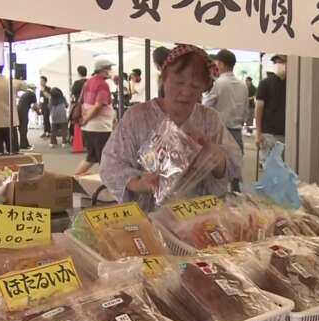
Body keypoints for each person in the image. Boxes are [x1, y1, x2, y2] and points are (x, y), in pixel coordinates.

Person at [100, 44, 242, 212]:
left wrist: (216, 158)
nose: (186, 92)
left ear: (203, 88)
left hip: (196, 217)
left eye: (195, 86)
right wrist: (140, 182)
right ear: (164, 79)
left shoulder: (209, 119)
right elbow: (112, 165)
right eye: (179, 82)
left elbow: (232, 166)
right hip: (147, 216)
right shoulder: (138, 117)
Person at [203, 49, 249, 191]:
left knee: (217, 174)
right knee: (235, 173)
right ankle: (236, 205)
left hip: (220, 134)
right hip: (237, 133)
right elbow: (246, 110)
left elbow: (205, 106)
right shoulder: (243, 85)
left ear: (221, 64)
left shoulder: (219, 84)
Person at [74, 59, 115, 175]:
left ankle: (74, 178)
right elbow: (98, 105)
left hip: (88, 128)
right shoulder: (102, 84)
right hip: (99, 127)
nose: (110, 71)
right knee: (105, 159)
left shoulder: (88, 82)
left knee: (91, 157)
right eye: (109, 69)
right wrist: (86, 119)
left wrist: (85, 120)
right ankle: (109, 186)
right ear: (102, 70)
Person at [0, 65, 27, 154]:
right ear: (3, 68)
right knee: (13, 152)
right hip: (10, 121)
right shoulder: (12, 82)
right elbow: (25, 86)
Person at [255, 55, 287, 162]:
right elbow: (259, 109)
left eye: (281, 62)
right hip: (268, 134)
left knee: (285, 170)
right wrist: (258, 133)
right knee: (270, 168)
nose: (278, 65)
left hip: (287, 133)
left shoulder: (293, 84)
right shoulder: (265, 83)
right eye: (275, 62)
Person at [69, 65, 89, 143]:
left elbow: (72, 93)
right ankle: (86, 140)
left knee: (77, 122)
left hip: (79, 105)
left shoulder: (77, 83)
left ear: (78, 73)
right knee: (87, 121)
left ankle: (78, 139)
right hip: (89, 104)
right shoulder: (89, 81)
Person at [17, 84, 38, 150]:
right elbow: (35, 106)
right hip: (24, 112)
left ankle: (25, 143)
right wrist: (39, 112)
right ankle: (23, 145)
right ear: (33, 88)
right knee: (24, 128)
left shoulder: (25, 94)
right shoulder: (32, 94)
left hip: (18, 111)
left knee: (21, 128)